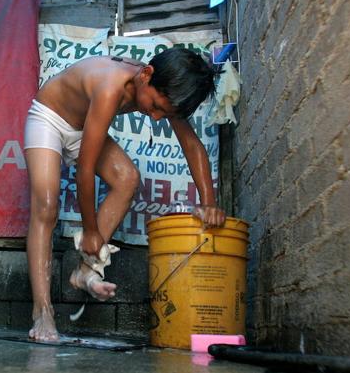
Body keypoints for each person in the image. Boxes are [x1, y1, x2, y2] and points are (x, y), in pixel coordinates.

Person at [23, 48, 226, 341]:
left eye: (164, 114)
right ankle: (42, 312)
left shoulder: (163, 87)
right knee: (45, 206)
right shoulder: (111, 87)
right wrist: (91, 231)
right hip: (49, 119)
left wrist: (209, 205)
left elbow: (192, 145)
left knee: (127, 179)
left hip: (84, 126)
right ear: (146, 75)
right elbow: (85, 169)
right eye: (156, 107)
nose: (157, 118)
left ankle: (85, 271)